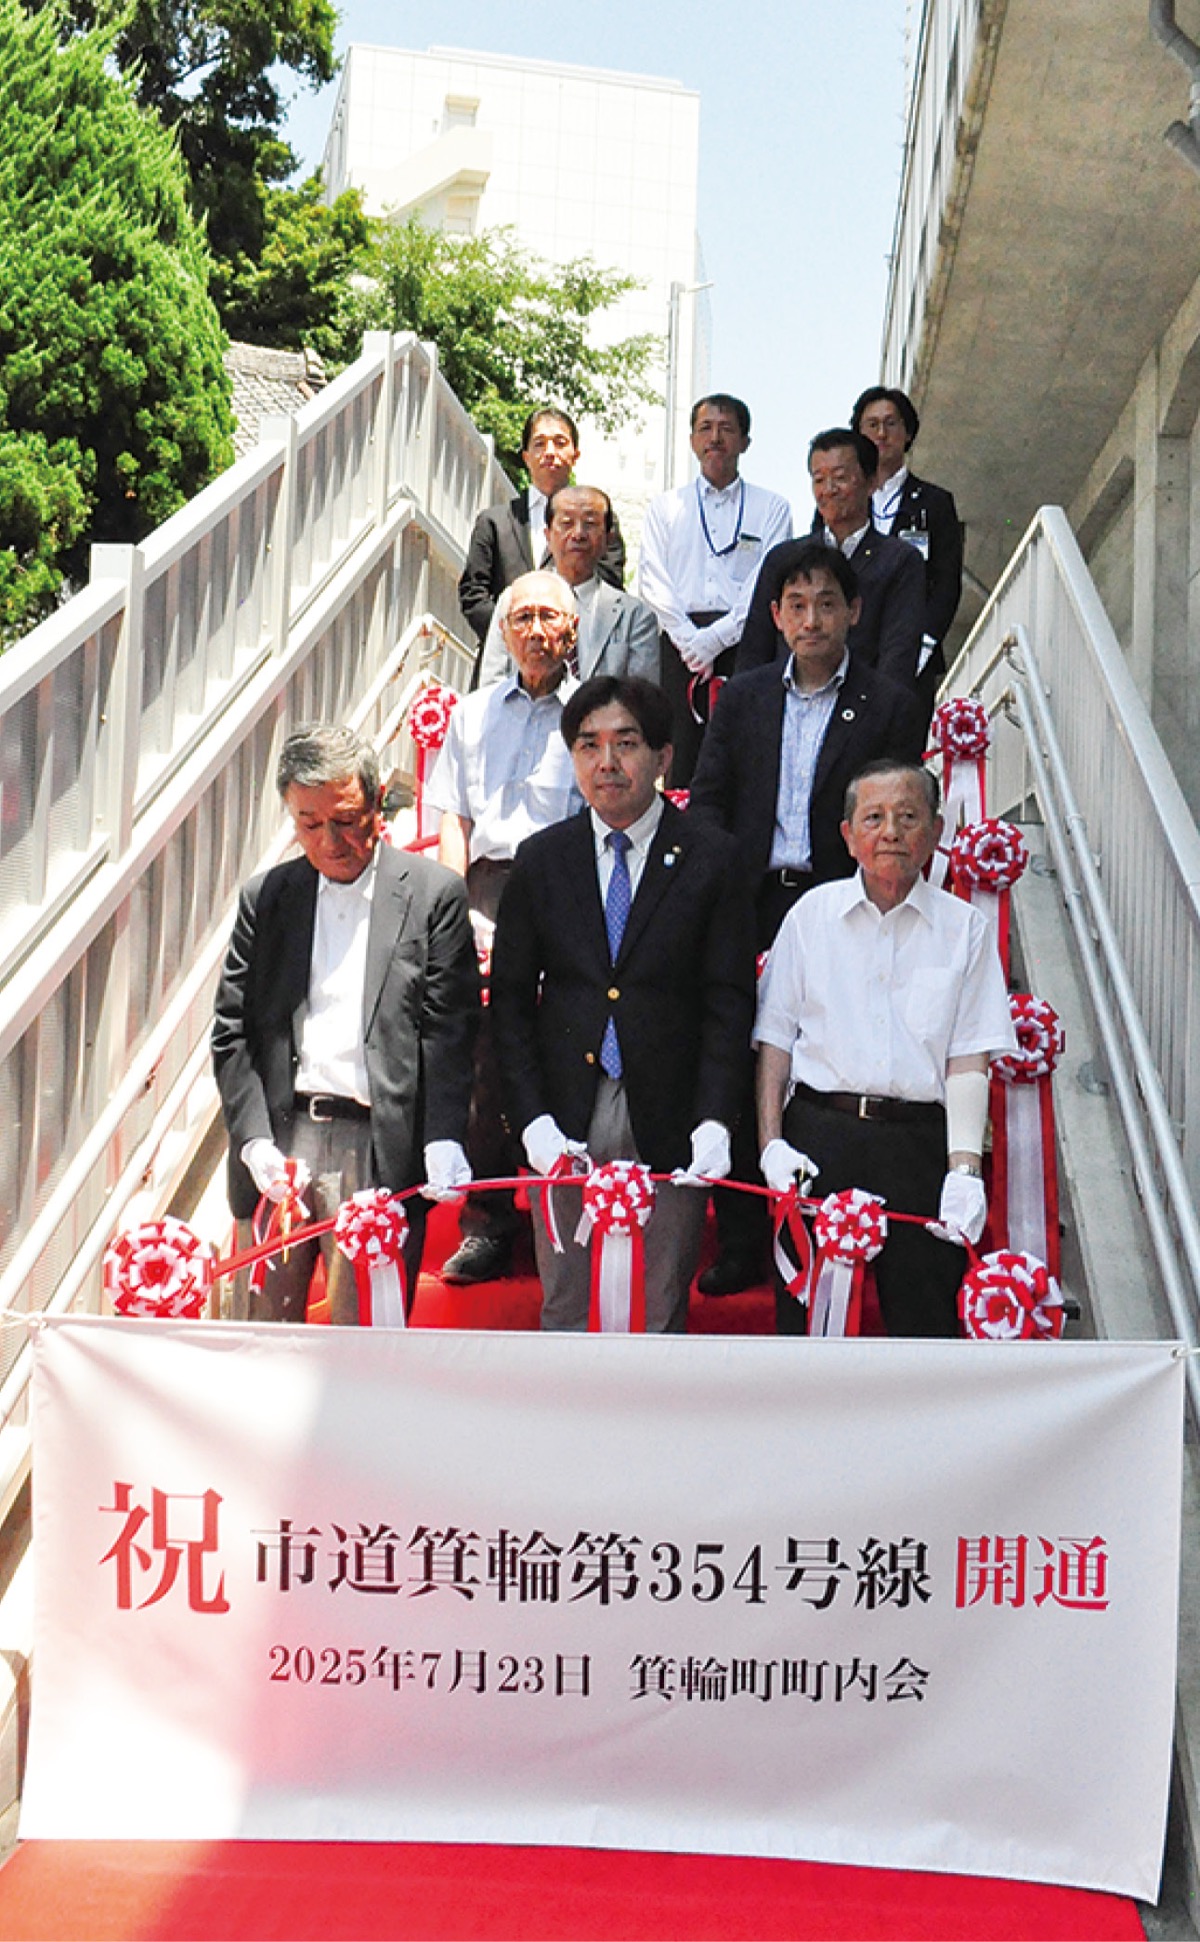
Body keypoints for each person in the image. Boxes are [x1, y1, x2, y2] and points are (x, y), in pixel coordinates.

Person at [687, 541, 926, 1296]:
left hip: (841, 902)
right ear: (775, 615)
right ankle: (743, 1236)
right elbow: (710, 797)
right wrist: (721, 888)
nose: (812, 618)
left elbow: (892, 812)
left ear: (854, 611)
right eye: (796, 604)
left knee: (825, 1058)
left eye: (827, 603)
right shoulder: (744, 696)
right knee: (738, 1054)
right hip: (750, 901)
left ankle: (833, 1225)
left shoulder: (889, 705)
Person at [489, 674, 756, 1331]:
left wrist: (715, 1119)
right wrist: (530, 1120)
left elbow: (728, 1002)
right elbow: (512, 1002)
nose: (606, 762)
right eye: (588, 745)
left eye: (626, 743)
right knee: (565, 1306)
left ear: (663, 757)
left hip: (671, 1110)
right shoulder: (541, 860)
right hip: (566, 1110)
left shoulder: (712, 858)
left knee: (662, 1306)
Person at [212, 724, 479, 1323]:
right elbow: (233, 1031)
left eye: (347, 820)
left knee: (365, 1337)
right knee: (260, 1332)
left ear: (377, 803)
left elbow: (449, 1031)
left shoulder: (432, 894)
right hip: (283, 1139)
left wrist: (443, 1135)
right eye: (309, 824)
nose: (331, 842)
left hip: (376, 1144)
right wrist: (253, 1140)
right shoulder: (267, 898)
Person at [754, 759, 1016, 1337]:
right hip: (819, 1137)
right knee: (808, 1325)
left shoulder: (965, 928)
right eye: (873, 818)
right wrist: (772, 1145)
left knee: (925, 1323)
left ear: (937, 831)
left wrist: (964, 1170)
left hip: (917, 1144)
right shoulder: (810, 916)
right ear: (848, 836)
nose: (891, 832)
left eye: (908, 817)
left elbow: (968, 1057)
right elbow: (774, 1042)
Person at [426, 571, 583, 1284]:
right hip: (486, 888)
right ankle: (488, 1223)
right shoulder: (472, 713)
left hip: (567, 886)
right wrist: (455, 908)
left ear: (572, 630)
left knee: (565, 1048)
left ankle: (566, 1219)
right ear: (503, 630)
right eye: (521, 617)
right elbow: (454, 817)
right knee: (484, 1056)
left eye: (549, 616)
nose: (535, 630)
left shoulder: (594, 713)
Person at [638, 394, 792, 785]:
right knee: (680, 757)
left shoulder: (772, 508)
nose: (715, 438)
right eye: (705, 428)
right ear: (692, 440)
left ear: (745, 441)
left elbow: (768, 578)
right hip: (680, 647)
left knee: (744, 754)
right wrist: (691, 642)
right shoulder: (665, 507)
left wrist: (716, 639)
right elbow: (653, 581)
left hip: (746, 642)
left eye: (726, 429)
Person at [736, 429, 924, 698]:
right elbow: (755, 649)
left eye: (840, 478)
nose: (829, 490)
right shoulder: (784, 558)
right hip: (786, 706)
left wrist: (878, 712)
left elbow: (899, 653)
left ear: (871, 482)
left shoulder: (899, 560)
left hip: (864, 708)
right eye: (819, 479)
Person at [458, 408, 625, 676]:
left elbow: (609, 582)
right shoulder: (494, 522)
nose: (549, 452)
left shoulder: (600, 521)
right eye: (539, 443)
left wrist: (560, 635)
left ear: (575, 454)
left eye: (560, 443)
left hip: (579, 666)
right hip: (503, 668)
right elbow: (473, 593)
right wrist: (516, 638)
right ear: (526, 456)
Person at [851, 384, 963, 717]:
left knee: (903, 744)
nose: (881, 434)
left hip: (912, 654)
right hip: (852, 652)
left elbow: (946, 582)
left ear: (908, 432)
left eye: (891, 423)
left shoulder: (935, 502)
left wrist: (924, 644)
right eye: (872, 425)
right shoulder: (844, 500)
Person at [478, 485, 659, 688]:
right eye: (566, 523)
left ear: (608, 539)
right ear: (547, 535)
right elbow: (492, 686)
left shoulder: (635, 616)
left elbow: (641, 697)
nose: (578, 534)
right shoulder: (513, 600)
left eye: (590, 524)